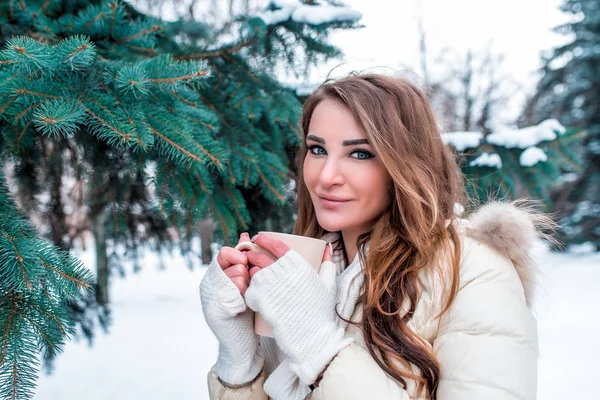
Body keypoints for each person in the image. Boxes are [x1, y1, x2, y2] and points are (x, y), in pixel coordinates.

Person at [199, 74, 554, 399]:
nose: (326, 176)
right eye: (318, 149)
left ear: (405, 164)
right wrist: (240, 361)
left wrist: (320, 349)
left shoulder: (474, 269)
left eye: (360, 153)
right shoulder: (309, 264)